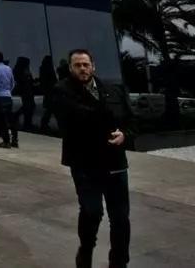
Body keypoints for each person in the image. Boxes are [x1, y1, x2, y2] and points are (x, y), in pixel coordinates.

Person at [50, 49, 134, 268]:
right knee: (92, 211)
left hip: (115, 163)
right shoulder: (62, 91)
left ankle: (119, 262)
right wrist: (107, 121)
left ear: (93, 66)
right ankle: (86, 249)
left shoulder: (112, 90)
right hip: (85, 164)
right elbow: (75, 119)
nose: (82, 68)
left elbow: (131, 121)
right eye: (77, 65)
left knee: (120, 218)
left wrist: (125, 135)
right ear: (70, 68)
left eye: (86, 64)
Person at [15, 56, 36, 130]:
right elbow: (21, 81)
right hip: (25, 91)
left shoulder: (25, 70)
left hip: (29, 90)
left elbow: (30, 79)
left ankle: (27, 122)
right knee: (28, 107)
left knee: (30, 106)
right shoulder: (19, 70)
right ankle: (27, 123)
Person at [39, 55, 58, 132]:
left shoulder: (43, 68)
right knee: (53, 110)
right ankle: (44, 124)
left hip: (48, 92)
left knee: (50, 110)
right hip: (51, 92)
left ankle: (44, 124)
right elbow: (52, 80)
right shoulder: (49, 69)